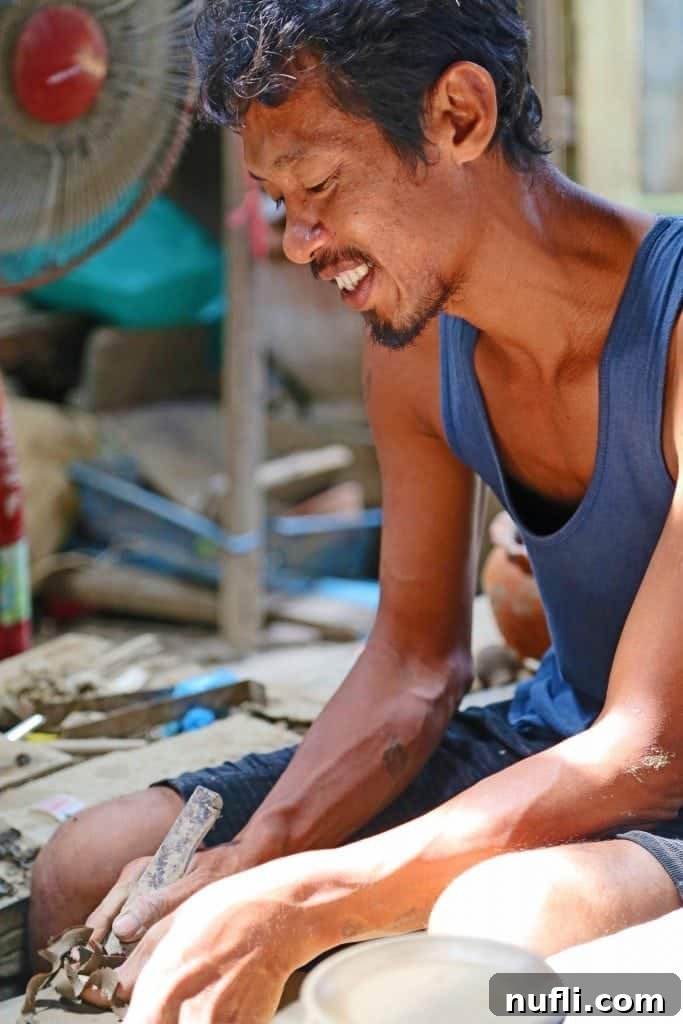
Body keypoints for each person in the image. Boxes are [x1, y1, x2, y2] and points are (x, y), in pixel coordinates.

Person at [30, 1, 683, 1020]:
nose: (299, 243)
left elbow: (648, 748)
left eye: (321, 189)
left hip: (653, 769)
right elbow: (415, 665)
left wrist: (296, 901)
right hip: (557, 740)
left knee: (508, 926)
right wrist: (253, 857)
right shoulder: (416, 350)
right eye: (278, 202)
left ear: (458, 116)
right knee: (88, 866)